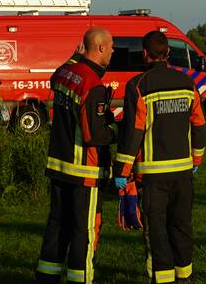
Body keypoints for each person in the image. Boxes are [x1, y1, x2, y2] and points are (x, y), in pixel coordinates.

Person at [114, 30, 206, 284]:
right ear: (168, 52)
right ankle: (185, 277)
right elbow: (199, 126)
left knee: (157, 231)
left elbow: (133, 132)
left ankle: (164, 279)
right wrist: (196, 160)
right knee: (181, 227)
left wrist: (122, 172)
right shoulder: (188, 83)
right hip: (183, 173)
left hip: (153, 176)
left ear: (145, 54)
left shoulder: (138, 85)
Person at [36, 27, 118, 284]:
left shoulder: (65, 73)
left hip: (59, 166)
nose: (114, 51)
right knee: (84, 230)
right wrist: (116, 130)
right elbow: (94, 135)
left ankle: (47, 276)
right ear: (101, 47)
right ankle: (80, 278)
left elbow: (55, 79)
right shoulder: (92, 84)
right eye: (112, 46)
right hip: (84, 171)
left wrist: (74, 56)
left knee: (57, 224)